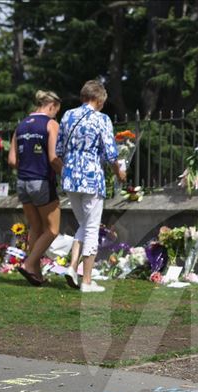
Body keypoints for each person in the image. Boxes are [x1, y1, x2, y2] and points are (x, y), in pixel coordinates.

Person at [56, 79, 126, 292]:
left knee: (85, 225)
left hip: (70, 177)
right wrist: (119, 172)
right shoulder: (101, 119)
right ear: (98, 99)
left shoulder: (67, 115)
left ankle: (72, 267)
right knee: (92, 228)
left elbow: (59, 149)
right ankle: (86, 281)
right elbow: (112, 154)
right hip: (91, 178)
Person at [8, 90, 63, 286]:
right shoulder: (50, 124)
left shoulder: (21, 125)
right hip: (41, 181)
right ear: (52, 106)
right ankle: (29, 264)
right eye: (56, 111)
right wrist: (66, 174)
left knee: (36, 228)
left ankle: (36, 274)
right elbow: (53, 158)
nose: (56, 115)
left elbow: (12, 159)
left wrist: (27, 167)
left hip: (22, 182)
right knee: (53, 230)